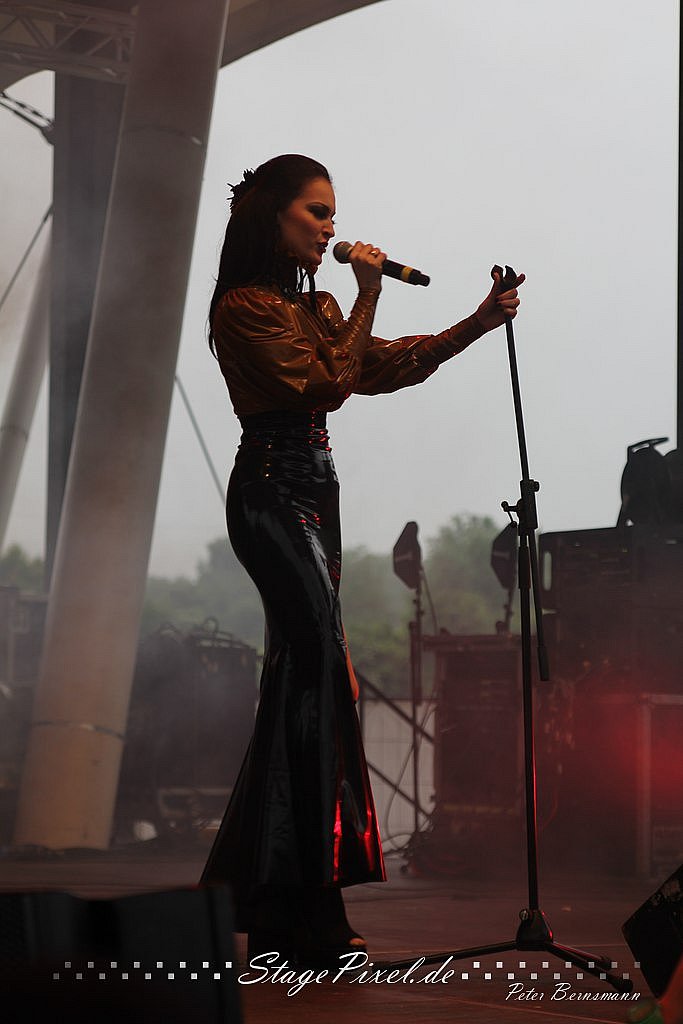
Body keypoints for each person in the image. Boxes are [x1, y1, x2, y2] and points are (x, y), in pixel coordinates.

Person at [199, 153, 524, 964]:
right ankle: (304, 904)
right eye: (316, 211)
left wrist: (476, 322)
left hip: (318, 493)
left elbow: (377, 366)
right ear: (272, 215)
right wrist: (369, 290)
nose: (331, 227)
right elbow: (325, 385)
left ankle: (285, 906)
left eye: (332, 214)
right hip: (270, 493)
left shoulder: (315, 306)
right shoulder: (243, 306)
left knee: (305, 684)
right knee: (318, 672)